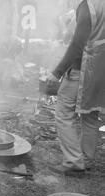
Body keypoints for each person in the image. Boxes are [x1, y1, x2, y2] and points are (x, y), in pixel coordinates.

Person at [47, 0, 105, 175]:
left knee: (63, 113)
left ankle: (73, 161)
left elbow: (77, 46)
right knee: (91, 115)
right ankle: (86, 159)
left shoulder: (87, 6)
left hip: (83, 68)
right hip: (101, 68)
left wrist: (57, 73)